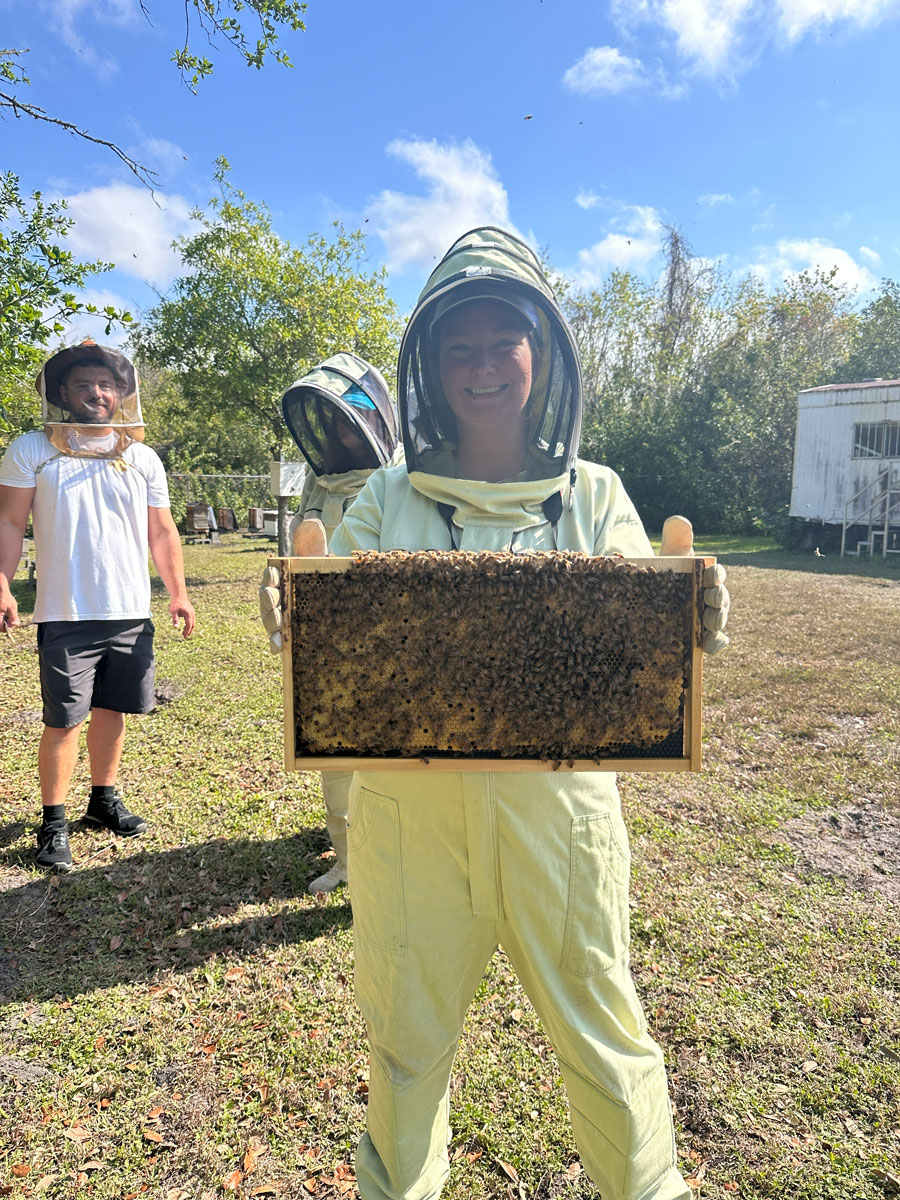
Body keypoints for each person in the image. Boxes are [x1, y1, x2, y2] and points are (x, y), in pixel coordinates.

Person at [317, 228, 730, 1200]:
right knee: (406, 1050)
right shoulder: (384, 497)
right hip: (409, 833)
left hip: (561, 826)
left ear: (541, 354)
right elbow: (336, 626)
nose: (482, 365)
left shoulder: (595, 496)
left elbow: (642, 633)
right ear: (429, 364)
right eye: (460, 345)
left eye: (503, 341)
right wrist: (301, 602)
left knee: (605, 1036)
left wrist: (688, 605)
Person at [0, 340, 195, 873]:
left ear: (121, 394)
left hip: (130, 611)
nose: (96, 393)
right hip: (65, 613)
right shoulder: (31, 449)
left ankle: (102, 802)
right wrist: (1, 582)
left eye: (106, 385)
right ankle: (53, 822)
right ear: (62, 393)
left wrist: (177, 592)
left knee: (114, 709)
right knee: (63, 720)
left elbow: (161, 529)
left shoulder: (141, 456)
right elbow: (10, 523)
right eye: (83, 384)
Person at [281, 352, 402, 893]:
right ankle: (348, 862)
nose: (341, 427)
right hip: (328, 640)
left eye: (350, 414)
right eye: (331, 418)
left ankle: (394, 856)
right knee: (334, 755)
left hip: (392, 640)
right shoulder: (317, 480)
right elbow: (301, 548)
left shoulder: (402, 477)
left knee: (390, 759)